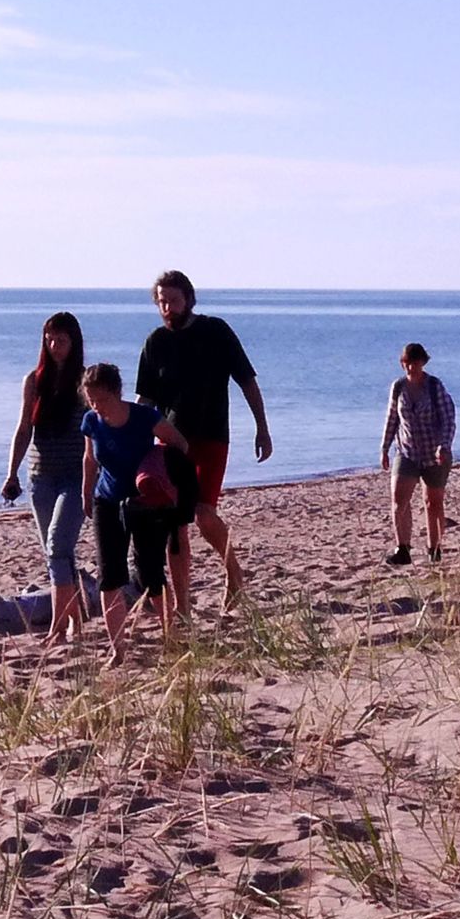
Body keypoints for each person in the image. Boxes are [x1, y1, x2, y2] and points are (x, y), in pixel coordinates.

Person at [136, 271, 270, 614]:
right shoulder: (155, 342)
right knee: (173, 525)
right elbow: (145, 400)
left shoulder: (215, 331)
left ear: (189, 300)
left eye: (174, 301)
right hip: (170, 443)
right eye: (161, 302)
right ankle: (182, 606)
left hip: (211, 437)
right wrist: (130, 441)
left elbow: (247, 381)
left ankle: (234, 575)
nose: (168, 307)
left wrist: (262, 428)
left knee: (203, 513)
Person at [77, 362, 195, 663]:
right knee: (109, 575)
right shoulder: (91, 421)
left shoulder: (145, 417)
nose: (96, 406)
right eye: (91, 400)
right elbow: (90, 460)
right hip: (107, 501)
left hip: (145, 503)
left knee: (150, 572)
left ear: (118, 392)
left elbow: (179, 444)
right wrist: (85, 494)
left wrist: (161, 471)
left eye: (102, 399)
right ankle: (118, 650)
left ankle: (171, 636)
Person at [0, 311, 96, 651]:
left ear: (74, 343)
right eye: (50, 340)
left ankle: (59, 622)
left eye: (62, 340)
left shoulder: (85, 382)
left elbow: (98, 431)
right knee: (57, 553)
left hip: (76, 475)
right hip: (41, 477)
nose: (55, 346)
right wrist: (11, 472)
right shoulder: (34, 381)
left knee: (57, 545)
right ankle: (74, 619)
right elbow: (24, 428)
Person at [380, 342, 456, 566]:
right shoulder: (398, 387)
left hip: (434, 453)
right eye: (406, 363)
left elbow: (448, 418)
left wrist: (444, 445)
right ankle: (402, 547)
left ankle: (435, 549)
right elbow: (392, 418)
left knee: (433, 502)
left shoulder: (434, 386)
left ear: (422, 362)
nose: (410, 368)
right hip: (406, 451)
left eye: (414, 363)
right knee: (398, 499)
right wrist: (384, 447)